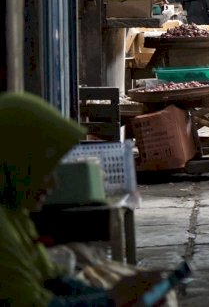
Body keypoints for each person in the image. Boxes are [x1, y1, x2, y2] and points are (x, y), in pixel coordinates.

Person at [0, 91, 164, 306]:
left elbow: (53, 279)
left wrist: (116, 295)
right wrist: (112, 299)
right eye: (46, 170)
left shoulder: (15, 215)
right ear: (18, 164)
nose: (53, 184)